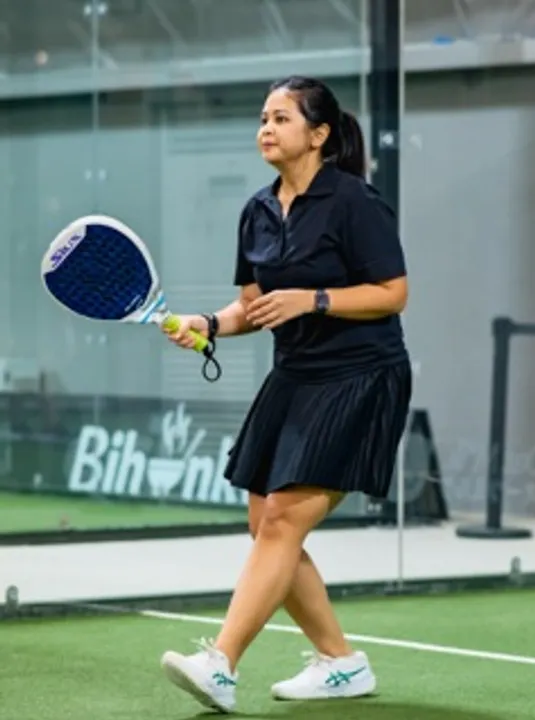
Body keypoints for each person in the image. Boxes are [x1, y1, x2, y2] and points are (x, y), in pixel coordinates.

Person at [158, 75, 412, 714]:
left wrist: (315, 299)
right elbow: (254, 306)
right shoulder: (258, 210)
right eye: (263, 119)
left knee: (281, 520)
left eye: (281, 119)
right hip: (295, 375)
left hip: (360, 375)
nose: (266, 129)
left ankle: (221, 662)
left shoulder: (354, 202)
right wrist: (209, 324)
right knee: (265, 523)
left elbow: (393, 293)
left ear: (319, 134)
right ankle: (341, 662)